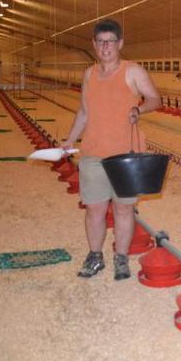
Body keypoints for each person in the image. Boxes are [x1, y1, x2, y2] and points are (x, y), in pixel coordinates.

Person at [61, 18, 161, 280]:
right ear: (94, 44)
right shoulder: (89, 74)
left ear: (120, 43)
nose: (106, 47)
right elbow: (84, 111)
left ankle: (121, 258)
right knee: (94, 208)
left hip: (125, 155)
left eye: (111, 41)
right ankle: (95, 256)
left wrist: (139, 109)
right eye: (101, 41)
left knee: (123, 209)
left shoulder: (132, 71)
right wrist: (70, 139)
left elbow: (155, 99)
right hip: (93, 151)